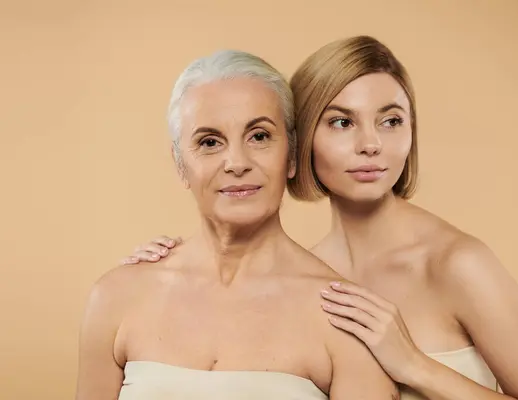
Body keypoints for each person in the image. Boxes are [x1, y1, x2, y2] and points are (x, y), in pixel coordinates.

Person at [123, 36, 518, 400]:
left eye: (391, 120)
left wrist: (415, 366)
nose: (371, 144)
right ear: (298, 141)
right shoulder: (308, 275)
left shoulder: (455, 263)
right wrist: (174, 264)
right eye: (342, 122)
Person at [75, 49, 401, 400]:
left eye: (259, 136)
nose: (236, 163)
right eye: (209, 142)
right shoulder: (116, 296)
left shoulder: (346, 316)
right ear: (180, 164)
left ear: (291, 155)